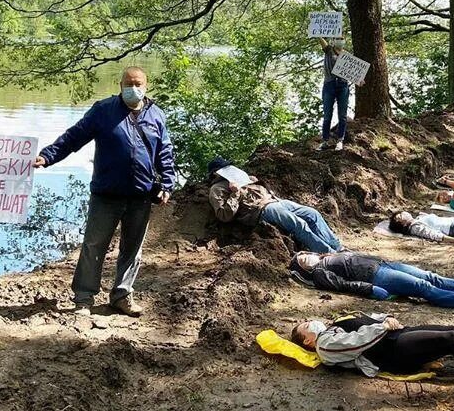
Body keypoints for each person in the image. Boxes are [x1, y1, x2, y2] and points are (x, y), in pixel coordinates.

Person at [34, 66, 176, 317]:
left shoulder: (156, 115)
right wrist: (47, 156)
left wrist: (167, 183)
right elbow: (73, 137)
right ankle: (84, 299)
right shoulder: (103, 111)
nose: (134, 89)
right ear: (120, 85)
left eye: (138, 84)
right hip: (106, 194)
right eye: (129, 84)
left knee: (132, 249)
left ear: (146, 85)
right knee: (93, 245)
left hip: (140, 195)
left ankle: (122, 296)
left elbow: (164, 151)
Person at [290, 312, 454, 385]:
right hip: (389, 352)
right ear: (307, 341)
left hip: (393, 336)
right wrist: (383, 327)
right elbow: (357, 342)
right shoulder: (324, 344)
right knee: (450, 339)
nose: (310, 322)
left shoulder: (334, 325)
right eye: (305, 326)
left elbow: (367, 319)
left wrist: (386, 318)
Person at [206, 157, 342, 253]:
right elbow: (224, 215)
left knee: (312, 214)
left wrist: (253, 181)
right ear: (216, 173)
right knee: (299, 224)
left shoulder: (239, 177)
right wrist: (235, 193)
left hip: (276, 201)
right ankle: (328, 253)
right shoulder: (217, 189)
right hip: (262, 209)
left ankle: (337, 247)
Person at [288, 251, 454, 310]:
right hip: (377, 276)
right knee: (423, 287)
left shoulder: (327, 255)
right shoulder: (319, 273)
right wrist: (371, 289)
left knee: (430, 276)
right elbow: (344, 285)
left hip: (384, 265)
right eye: (301, 261)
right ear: (304, 269)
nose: (304, 257)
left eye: (303, 255)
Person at [318, 37, 351, 152]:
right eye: (338, 38)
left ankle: (340, 141)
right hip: (329, 85)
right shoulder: (329, 50)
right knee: (327, 115)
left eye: (342, 39)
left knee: (342, 115)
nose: (340, 40)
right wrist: (317, 34)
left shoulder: (347, 55)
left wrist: (360, 80)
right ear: (333, 40)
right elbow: (322, 42)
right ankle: (325, 141)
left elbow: (353, 72)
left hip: (343, 86)